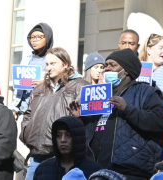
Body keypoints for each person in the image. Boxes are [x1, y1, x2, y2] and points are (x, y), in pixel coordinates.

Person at [68, 48, 163, 180]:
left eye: (112, 65)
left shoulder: (146, 92)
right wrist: (80, 118)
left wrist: (127, 110)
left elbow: (158, 121)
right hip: (95, 170)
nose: (106, 69)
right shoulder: (99, 93)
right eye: (106, 65)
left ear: (125, 70)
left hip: (130, 171)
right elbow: (91, 132)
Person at [20, 47, 90, 180]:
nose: (48, 68)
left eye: (53, 64)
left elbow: (89, 120)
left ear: (65, 65)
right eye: (47, 64)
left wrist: (80, 117)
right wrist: (26, 132)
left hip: (65, 157)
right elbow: (28, 114)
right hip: (36, 156)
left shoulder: (81, 85)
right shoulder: (39, 89)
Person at [33, 116, 102, 179]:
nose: (62, 140)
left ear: (78, 137)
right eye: (58, 135)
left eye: (68, 135)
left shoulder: (95, 171)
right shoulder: (42, 169)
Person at [11, 23, 54, 121]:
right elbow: (19, 87)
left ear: (47, 37)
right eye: (32, 37)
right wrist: (15, 109)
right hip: (26, 111)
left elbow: (64, 80)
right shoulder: (26, 60)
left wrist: (46, 83)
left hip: (45, 109)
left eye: (39, 37)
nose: (34, 40)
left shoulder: (55, 58)